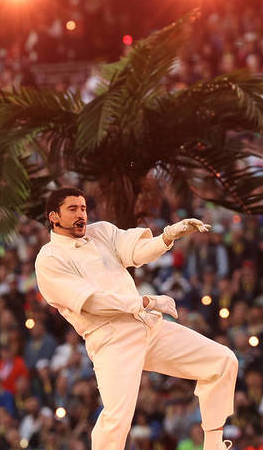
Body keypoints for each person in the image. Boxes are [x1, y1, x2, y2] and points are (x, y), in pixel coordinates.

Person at [34, 186, 238, 450]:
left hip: (147, 326)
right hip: (111, 338)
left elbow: (136, 252)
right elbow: (92, 302)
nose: (81, 214)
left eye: (83, 208)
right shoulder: (49, 259)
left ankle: (213, 445)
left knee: (222, 360)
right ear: (54, 217)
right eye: (72, 209)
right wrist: (145, 301)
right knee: (117, 419)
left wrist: (168, 236)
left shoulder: (101, 232)